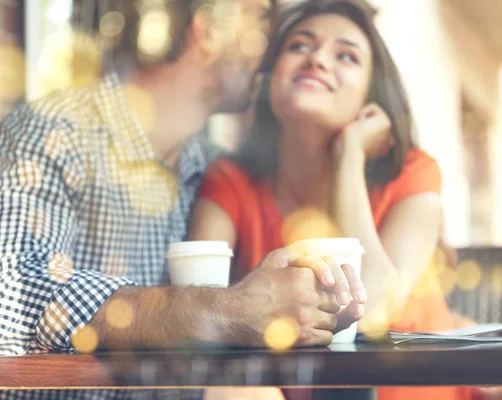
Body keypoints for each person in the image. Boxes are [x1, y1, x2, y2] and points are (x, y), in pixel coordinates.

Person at [0, 0, 367, 398]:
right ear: (209, 30)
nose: (273, 49)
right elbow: (12, 299)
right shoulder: (52, 132)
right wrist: (234, 310)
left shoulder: (213, 169)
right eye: (260, 18)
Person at [190, 1, 502, 399]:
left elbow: (374, 307)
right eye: (298, 46)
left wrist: (349, 159)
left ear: (372, 94)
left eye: (345, 55)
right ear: (269, 76)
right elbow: (198, 307)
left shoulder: (414, 174)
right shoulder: (231, 181)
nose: (317, 60)